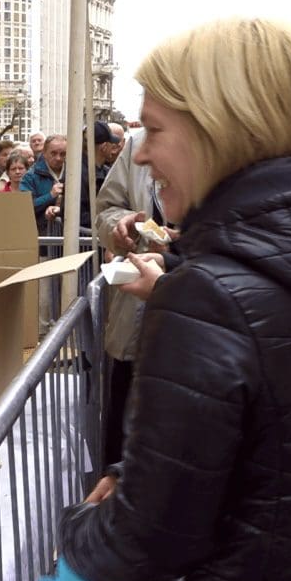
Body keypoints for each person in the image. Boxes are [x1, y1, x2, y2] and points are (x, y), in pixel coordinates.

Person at [59, 18, 291, 581]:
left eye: (153, 130)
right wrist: (147, 469)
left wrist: (77, 525)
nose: (140, 153)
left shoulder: (208, 294)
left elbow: (142, 539)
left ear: (215, 129)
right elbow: (279, 447)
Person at [91, 128, 163, 468]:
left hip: (197, 336)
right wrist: (121, 223)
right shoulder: (139, 142)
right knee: (122, 446)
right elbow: (106, 210)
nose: (142, 157)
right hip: (134, 326)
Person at [21, 134, 67, 233]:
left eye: (63, 154)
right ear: (44, 153)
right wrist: (50, 196)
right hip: (42, 234)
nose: (58, 158)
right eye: (53, 153)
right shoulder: (31, 176)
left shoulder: (74, 173)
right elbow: (25, 207)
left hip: (69, 234)